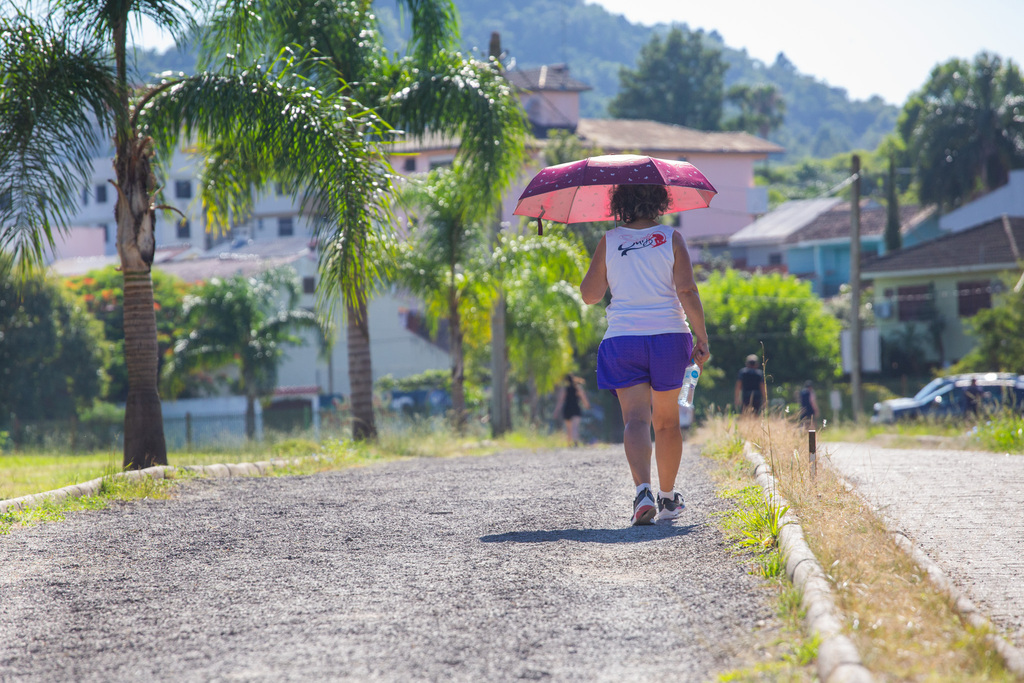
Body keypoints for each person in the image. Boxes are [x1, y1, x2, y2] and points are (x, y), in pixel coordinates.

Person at [580, 183, 710, 526]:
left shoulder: (609, 240)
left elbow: (590, 295)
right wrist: (702, 336)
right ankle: (667, 499)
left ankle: (642, 493)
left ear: (620, 203)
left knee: (635, 420)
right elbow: (686, 290)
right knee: (666, 422)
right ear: (659, 202)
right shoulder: (671, 238)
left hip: (624, 340)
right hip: (669, 336)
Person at [552, 374, 591, 447]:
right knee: (575, 427)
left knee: (569, 428)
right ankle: (575, 442)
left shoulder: (564, 389)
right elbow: (583, 397)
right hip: (576, 408)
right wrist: (587, 405)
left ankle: (569, 444)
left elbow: (560, 401)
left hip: (567, 409)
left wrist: (556, 411)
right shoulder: (577, 388)